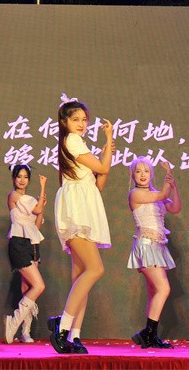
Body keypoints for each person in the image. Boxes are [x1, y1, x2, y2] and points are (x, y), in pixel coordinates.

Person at [47, 100, 114, 355]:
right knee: (95, 269)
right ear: (64, 122)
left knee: (81, 276)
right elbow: (103, 167)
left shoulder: (77, 144)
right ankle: (62, 326)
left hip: (83, 207)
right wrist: (108, 141)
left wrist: (107, 148)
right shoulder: (72, 140)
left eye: (84, 120)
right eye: (76, 119)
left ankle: (73, 335)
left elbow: (99, 183)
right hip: (77, 211)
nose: (82, 124)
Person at [127, 156, 181, 349]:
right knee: (163, 288)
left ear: (151, 174)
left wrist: (173, 185)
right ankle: (148, 334)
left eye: (146, 171)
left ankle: (149, 335)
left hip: (158, 245)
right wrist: (168, 177)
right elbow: (162, 195)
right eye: (138, 171)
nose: (142, 175)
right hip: (146, 244)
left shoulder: (156, 194)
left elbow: (175, 208)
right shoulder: (135, 194)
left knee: (154, 292)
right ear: (133, 175)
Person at [3, 164, 47, 344]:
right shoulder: (14, 196)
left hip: (32, 244)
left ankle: (25, 332)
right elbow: (37, 209)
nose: (22, 180)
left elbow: (36, 225)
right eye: (19, 176)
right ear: (14, 179)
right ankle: (13, 322)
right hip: (19, 243)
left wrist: (41, 204)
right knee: (39, 286)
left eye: (25, 177)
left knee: (27, 288)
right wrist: (43, 188)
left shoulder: (31, 201)